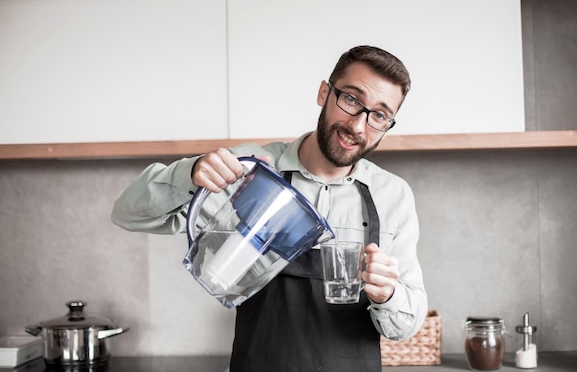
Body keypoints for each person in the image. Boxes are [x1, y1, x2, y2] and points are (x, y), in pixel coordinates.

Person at [111, 45, 428, 372]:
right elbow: (127, 214)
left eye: (378, 115)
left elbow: (406, 325)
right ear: (324, 93)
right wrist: (188, 174)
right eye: (350, 99)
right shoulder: (251, 170)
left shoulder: (392, 196)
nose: (359, 126)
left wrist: (387, 294)